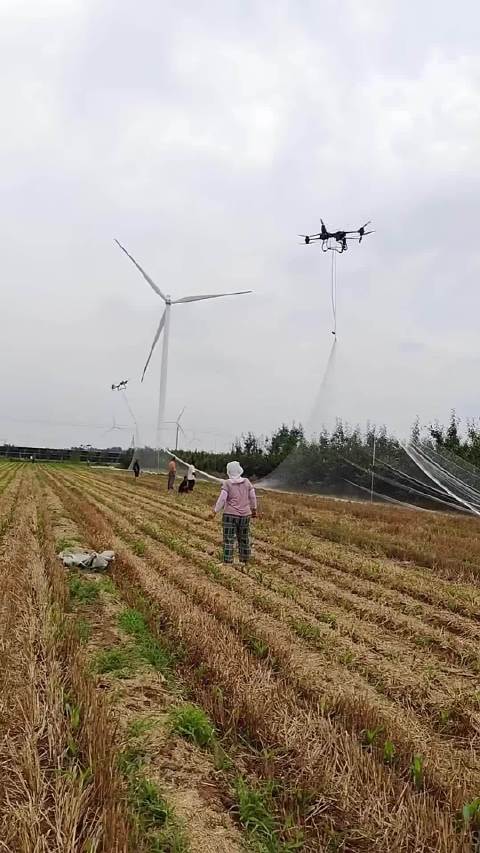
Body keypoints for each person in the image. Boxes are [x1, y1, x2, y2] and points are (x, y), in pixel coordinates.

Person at [213, 461, 257, 564]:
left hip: (230, 515)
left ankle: (228, 561)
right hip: (245, 515)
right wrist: (254, 509)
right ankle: (244, 560)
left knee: (228, 539)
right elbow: (253, 497)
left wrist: (215, 511)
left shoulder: (227, 483)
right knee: (244, 538)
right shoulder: (247, 482)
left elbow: (222, 499)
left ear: (229, 471)